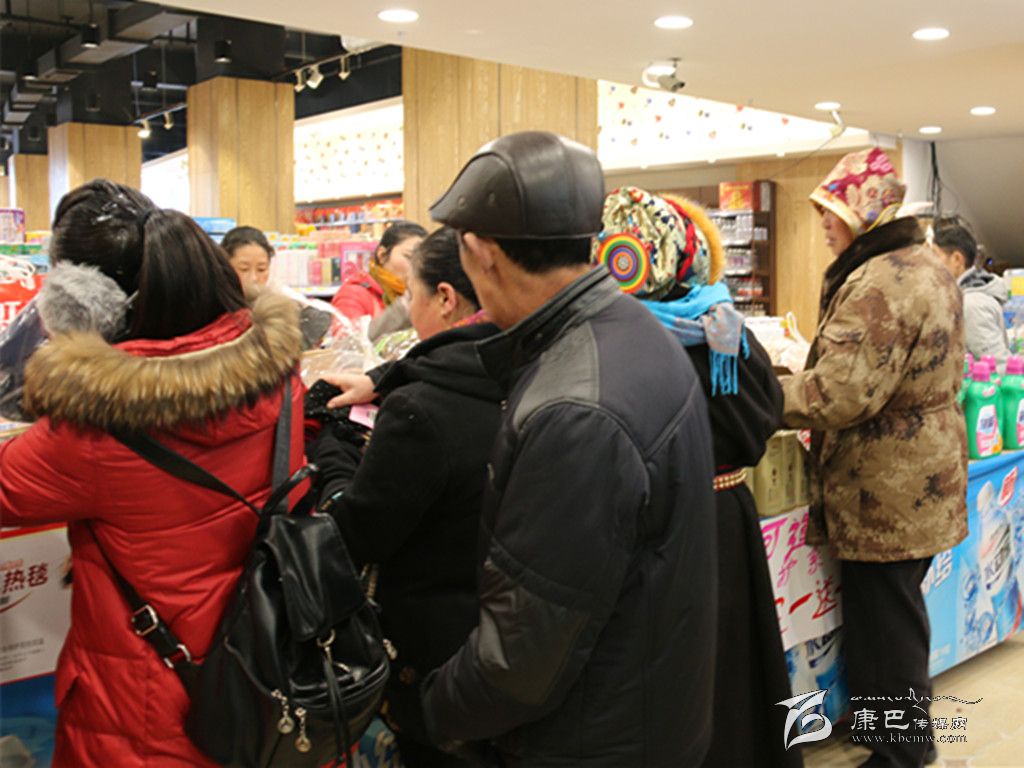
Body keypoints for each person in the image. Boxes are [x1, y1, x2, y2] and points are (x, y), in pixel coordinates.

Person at [418, 131, 717, 766]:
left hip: (591, 741)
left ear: (481, 253)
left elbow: (522, 656)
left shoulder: (574, 412)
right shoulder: (636, 330)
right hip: (647, 714)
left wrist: (434, 708)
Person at [0, 179, 306, 767]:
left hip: (147, 716)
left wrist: (61, 366)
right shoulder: (279, 375)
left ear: (79, 306)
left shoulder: (98, 432)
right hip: (267, 683)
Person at [595, 186, 799, 768]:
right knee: (735, 667)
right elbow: (762, 421)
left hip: (656, 528)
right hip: (724, 518)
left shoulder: (617, 339)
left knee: (672, 675)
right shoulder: (723, 329)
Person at [783, 148, 967, 768]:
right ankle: (892, 739)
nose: (823, 223)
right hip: (920, 477)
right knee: (893, 620)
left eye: (832, 210)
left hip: (885, 489)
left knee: (887, 630)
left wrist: (760, 392)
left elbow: (841, 392)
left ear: (864, 212)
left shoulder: (879, 282)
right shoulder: (925, 262)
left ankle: (902, 754)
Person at [309, 227, 501, 767]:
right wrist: (383, 380)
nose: (407, 309)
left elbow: (360, 531)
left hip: (431, 648)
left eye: (412, 294)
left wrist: (334, 453)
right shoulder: (527, 366)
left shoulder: (422, 410)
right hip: (501, 635)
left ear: (445, 298)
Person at [932, 218, 1011, 367]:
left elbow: (998, 365)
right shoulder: (964, 297)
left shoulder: (971, 305)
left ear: (957, 259)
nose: (931, 264)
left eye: (935, 256)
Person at [331, 220, 427, 325]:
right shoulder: (353, 296)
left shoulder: (418, 295)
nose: (417, 267)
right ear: (381, 255)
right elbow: (349, 334)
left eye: (423, 261)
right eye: (409, 257)